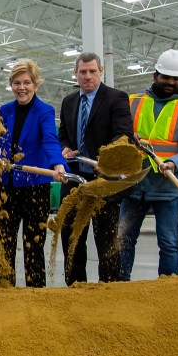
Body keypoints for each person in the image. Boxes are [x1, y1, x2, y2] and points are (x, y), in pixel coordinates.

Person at [118, 49, 178, 280]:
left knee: (169, 244)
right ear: (155, 75)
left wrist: (174, 162)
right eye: (166, 77)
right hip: (134, 185)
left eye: (176, 78)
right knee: (123, 239)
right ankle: (120, 285)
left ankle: (167, 289)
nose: (170, 82)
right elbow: (119, 135)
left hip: (167, 188)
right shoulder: (133, 102)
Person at [58, 52, 133, 284]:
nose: (88, 76)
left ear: (101, 71)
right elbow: (63, 135)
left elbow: (123, 133)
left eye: (92, 71)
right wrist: (66, 148)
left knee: (107, 241)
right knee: (71, 239)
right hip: (74, 182)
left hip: (104, 183)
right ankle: (75, 287)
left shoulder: (116, 98)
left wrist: (107, 158)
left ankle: (108, 291)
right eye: (83, 72)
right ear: (76, 73)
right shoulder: (69, 101)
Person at [0, 60, 66, 287]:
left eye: (26, 82)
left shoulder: (45, 111)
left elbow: (50, 141)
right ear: (11, 85)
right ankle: (5, 290)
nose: (21, 87)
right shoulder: (4, 111)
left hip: (35, 187)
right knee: (4, 243)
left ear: (36, 84)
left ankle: (35, 295)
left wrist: (57, 165)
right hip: (7, 187)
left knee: (33, 244)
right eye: (16, 83)